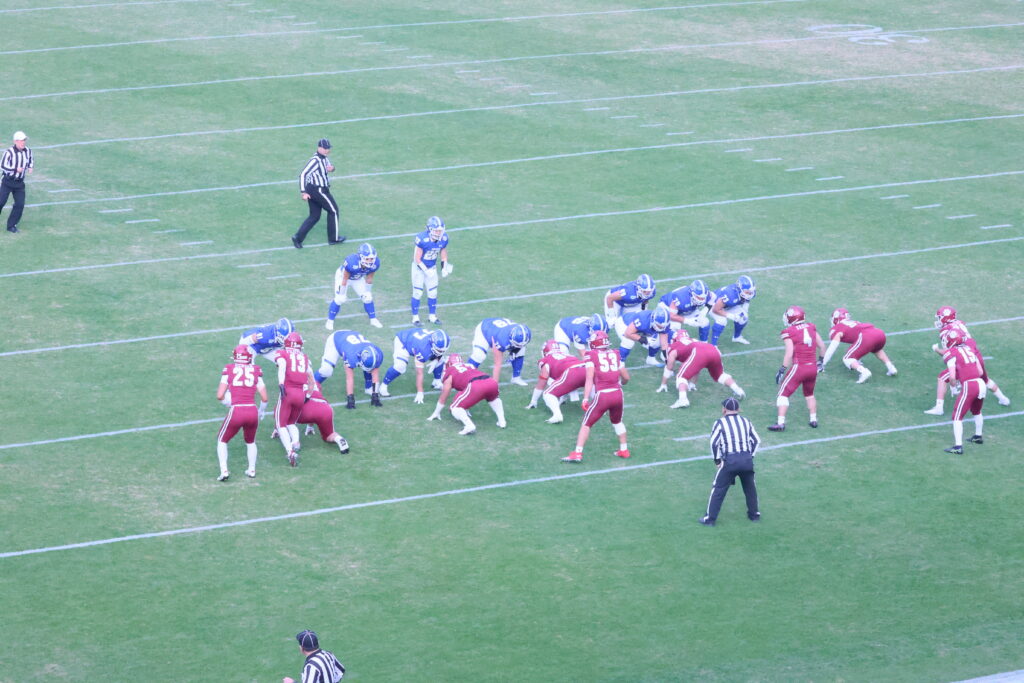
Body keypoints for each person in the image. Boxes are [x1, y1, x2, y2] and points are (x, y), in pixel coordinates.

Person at [924, 306, 1010, 415]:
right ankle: (1003, 399)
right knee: (984, 378)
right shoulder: (959, 324)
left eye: (940, 317)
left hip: (964, 360)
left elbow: (949, 354)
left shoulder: (947, 332)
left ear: (946, 318)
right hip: (975, 355)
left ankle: (939, 408)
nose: (938, 320)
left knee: (942, 378)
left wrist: (936, 349)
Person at [562, 330, 631, 463]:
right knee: (617, 421)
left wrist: (585, 398)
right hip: (618, 393)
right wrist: (621, 384)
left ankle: (577, 453)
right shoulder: (616, 353)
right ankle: (624, 449)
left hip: (603, 395)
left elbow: (589, 378)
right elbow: (626, 377)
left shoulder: (591, 355)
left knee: (586, 423)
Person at [699, 397, 761, 526]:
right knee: (750, 488)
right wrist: (750, 456)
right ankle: (754, 515)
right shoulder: (746, 421)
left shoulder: (720, 423)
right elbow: (756, 440)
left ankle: (710, 519)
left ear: (724, 409)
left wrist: (717, 460)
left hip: (730, 461)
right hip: (746, 460)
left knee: (718, 489)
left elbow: (714, 443)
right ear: (738, 409)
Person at [215, 345, 269, 481]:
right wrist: (261, 411)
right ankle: (252, 470)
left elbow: (220, 395)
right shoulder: (256, 370)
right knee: (250, 441)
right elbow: (264, 398)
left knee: (222, 440)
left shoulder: (229, 369)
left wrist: (228, 402)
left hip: (237, 410)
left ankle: (224, 471)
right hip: (252, 410)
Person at [769, 306, 825, 431]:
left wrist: (782, 369)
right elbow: (822, 346)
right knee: (809, 394)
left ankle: (781, 423)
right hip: (812, 367)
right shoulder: (811, 327)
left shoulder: (789, 331)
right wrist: (820, 362)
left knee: (783, 394)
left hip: (799, 367)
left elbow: (789, 353)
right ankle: (813, 420)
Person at [657, 329, 745, 408]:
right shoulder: (693, 340)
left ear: (675, 339)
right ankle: (738, 390)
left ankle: (682, 400)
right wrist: (692, 383)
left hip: (699, 352)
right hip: (713, 349)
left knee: (681, 376)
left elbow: (669, 367)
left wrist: (663, 384)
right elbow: (696, 366)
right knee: (720, 375)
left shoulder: (674, 346)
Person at [427, 354, 507, 434]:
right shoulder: (469, 366)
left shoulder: (450, 372)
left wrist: (436, 412)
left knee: (454, 408)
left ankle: (469, 425)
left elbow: (444, 397)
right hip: (491, 381)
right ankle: (502, 421)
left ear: (449, 363)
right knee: (493, 399)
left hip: (476, 385)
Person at [938, 328, 985, 454]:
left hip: (970, 385)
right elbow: (980, 372)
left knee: (957, 416)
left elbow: (952, 376)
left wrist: (954, 386)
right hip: (980, 383)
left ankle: (958, 447)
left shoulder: (951, 353)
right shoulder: (969, 349)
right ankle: (978, 436)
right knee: (977, 411)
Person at [272, 332, 317, 466]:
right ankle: (296, 441)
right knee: (291, 422)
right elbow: (311, 379)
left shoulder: (282, 353)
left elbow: (282, 366)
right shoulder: (304, 357)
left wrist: (281, 383)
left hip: (288, 391)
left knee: (281, 425)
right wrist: (308, 395)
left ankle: (290, 451)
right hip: (301, 393)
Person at [292, 138, 346, 249]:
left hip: (315, 189)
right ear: (319, 148)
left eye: (328, 148)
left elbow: (329, 168)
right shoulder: (315, 160)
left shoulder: (324, 158)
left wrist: (332, 169)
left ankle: (297, 238)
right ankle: (333, 239)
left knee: (314, 216)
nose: (327, 150)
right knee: (333, 210)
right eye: (325, 148)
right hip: (318, 190)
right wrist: (303, 192)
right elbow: (303, 174)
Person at [820, 307, 897, 383]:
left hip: (867, 336)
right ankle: (891, 368)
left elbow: (832, 347)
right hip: (879, 333)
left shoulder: (837, 328)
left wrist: (823, 363)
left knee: (847, 358)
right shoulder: (854, 322)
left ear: (836, 319)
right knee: (877, 350)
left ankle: (864, 372)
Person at [271, 381, 350, 454]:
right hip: (326, 409)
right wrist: (310, 426)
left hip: (305, 411)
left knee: (280, 411)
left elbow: (282, 407)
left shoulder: (291, 382)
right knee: (329, 435)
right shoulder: (314, 381)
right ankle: (340, 440)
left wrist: (277, 428)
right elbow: (315, 402)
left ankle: (295, 442)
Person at [314, 329, 383, 408]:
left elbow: (375, 373)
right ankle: (310, 386)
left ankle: (369, 387)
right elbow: (349, 378)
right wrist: (350, 398)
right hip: (336, 340)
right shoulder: (351, 355)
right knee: (326, 370)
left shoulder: (377, 354)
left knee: (370, 368)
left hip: (350, 339)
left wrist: (375, 394)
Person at [379, 328, 451, 402]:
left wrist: (437, 360)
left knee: (440, 359)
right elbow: (419, 372)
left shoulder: (436, 340)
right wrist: (420, 392)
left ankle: (437, 381)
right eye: (439, 350)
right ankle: (383, 386)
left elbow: (440, 353)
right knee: (400, 366)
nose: (442, 352)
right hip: (403, 341)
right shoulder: (423, 349)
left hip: (415, 340)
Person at [526, 339, 588, 423]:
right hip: (586, 369)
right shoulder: (569, 355)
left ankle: (557, 415)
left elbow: (542, 383)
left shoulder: (546, 360)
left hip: (572, 373)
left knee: (547, 394)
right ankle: (600, 409)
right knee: (565, 381)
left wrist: (533, 401)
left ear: (545, 351)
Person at [325, 243, 383, 329]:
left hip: (357, 278)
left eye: (372, 259)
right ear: (360, 257)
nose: (370, 261)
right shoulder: (351, 262)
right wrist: (342, 293)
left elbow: (369, 278)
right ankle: (330, 321)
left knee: (367, 298)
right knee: (339, 299)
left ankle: (373, 319)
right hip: (343, 278)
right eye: (367, 259)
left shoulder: (375, 263)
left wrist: (368, 292)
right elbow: (344, 279)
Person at [411, 216, 452, 326]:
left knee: (433, 292)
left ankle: (432, 316)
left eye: (440, 230)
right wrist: (425, 270)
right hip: (419, 268)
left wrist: (444, 267)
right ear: (430, 229)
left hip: (431, 267)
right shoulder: (422, 239)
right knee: (417, 292)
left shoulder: (443, 238)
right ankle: (415, 318)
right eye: (436, 230)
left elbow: (443, 252)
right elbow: (417, 259)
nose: (439, 233)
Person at [466, 317, 532, 385]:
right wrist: (495, 386)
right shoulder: (502, 340)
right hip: (485, 329)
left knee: (520, 352)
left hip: (498, 329)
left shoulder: (522, 333)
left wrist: (517, 348)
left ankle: (516, 378)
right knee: (479, 355)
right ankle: (466, 377)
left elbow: (520, 343)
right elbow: (497, 364)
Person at [707, 275, 756, 345]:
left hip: (729, 305)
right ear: (740, 288)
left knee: (744, 317)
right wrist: (731, 316)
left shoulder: (750, 292)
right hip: (713, 304)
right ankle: (713, 345)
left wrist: (745, 307)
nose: (749, 293)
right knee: (722, 321)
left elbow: (747, 298)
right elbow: (716, 309)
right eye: (747, 292)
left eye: (750, 292)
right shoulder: (730, 294)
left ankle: (736, 337)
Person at [0, 131, 32, 234]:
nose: (23, 142)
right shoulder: (9, 152)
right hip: (7, 181)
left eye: (24, 140)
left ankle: (11, 226)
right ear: (15, 141)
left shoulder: (28, 151)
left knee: (20, 204)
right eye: (21, 140)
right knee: (1, 202)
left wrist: (30, 167)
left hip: (19, 183)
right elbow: (2, 166)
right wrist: (15, 169)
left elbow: (30, 160)